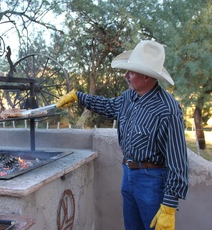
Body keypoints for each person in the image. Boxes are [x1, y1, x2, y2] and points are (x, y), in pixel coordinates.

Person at [57, 40, 189, 230]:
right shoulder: (129, 97)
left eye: (131, 72)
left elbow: (178, 161)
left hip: (152, 181)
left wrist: (169, 206)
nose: (126, 75)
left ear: (146, 77)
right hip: (128, 175)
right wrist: (78, 97)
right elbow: (108, 106)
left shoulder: (167, 109)